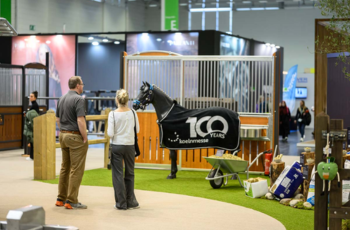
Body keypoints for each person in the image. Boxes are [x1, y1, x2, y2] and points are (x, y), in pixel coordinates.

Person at [55, 76, 88, 209]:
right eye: (82, 84)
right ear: (78, 86)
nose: (83, 86)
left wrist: (63, 130)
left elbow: (57, 118)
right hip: (74, 137)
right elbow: (80, 120)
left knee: (65, 168)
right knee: (76, 169)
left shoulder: (61, 98)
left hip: (63, 135)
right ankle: (72, 200)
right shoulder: (79, 99)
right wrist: (84, 137)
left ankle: (60, 198)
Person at [107, 89, 140, 210]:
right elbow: (137, 130)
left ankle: (121, 203)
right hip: (130, 146)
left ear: (117, 99)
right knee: (130, 173)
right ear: (127, 100)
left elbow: (110, 133)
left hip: (117, 145)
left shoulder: (113, 114)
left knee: (118, 175)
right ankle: (131, 201)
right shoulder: (133, 112)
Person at [36, 43, 62, 110]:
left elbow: (59, 94)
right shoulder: (33, 72)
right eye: (41, 54)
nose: (43, 56)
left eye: (45, 53)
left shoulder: (54, 73)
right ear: (38, 56)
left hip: (51, 107)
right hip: (37, 107)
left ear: (49, 55)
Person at [23, 91, 40, 161]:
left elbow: (32, 115)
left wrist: (26, 115)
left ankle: (32, 156)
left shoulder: (35, 105)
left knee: (32, 141)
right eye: (30, 96)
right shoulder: (33, 105)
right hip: (33, 124)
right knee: (32, 141)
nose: (30, 97)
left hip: (33, 125)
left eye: (32, 96)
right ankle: (32, 156)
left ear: (35, 97)